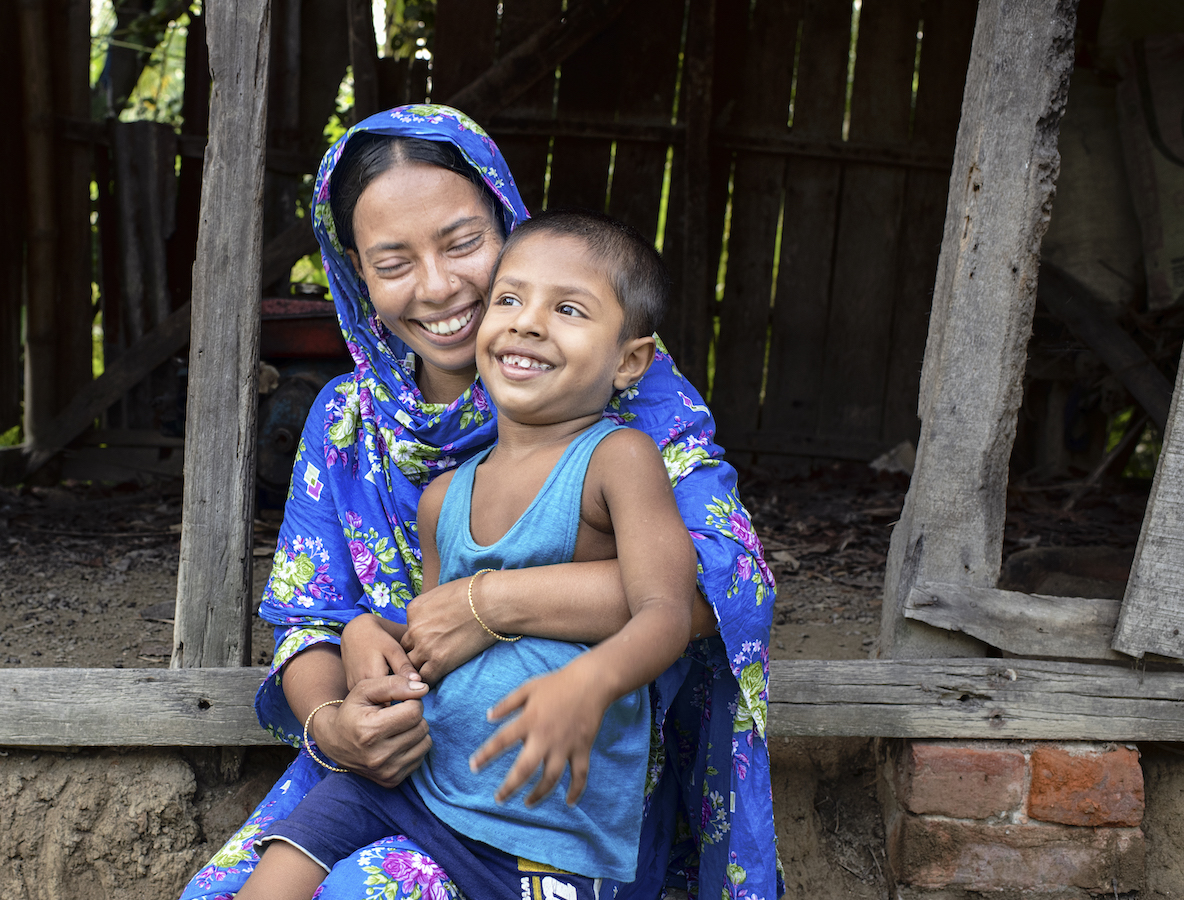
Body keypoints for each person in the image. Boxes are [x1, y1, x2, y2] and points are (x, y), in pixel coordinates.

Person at [181, 105, 779, 900]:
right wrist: (337, 715)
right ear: (356, 273)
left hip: (551, 788)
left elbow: (723, 582)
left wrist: (490, 600)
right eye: (393, 262)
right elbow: (307, 622)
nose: (439, 287)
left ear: (508, 221)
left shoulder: (628, 402)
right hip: (403, 761)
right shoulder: (348, 421)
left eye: (464, 244)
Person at [237, 209, 704, 900]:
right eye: (509, 300)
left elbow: (670, 608)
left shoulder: (618, 460)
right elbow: (432, 631)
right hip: (414, 782)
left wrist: (592, 682)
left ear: (630, 360)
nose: (527, 322)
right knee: (270, 881)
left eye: (568, 309)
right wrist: (371, 631)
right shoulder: (444, 497)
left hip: (544, 826)